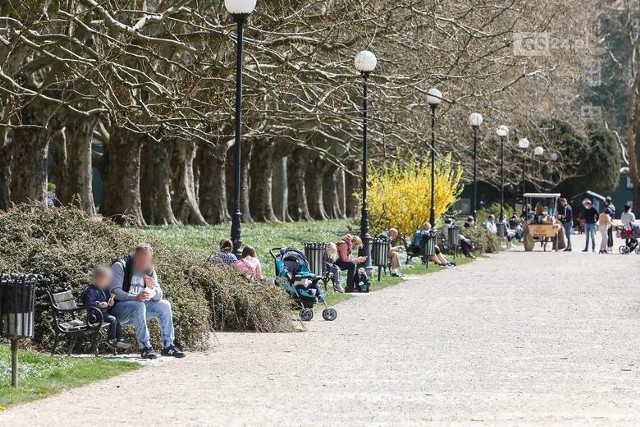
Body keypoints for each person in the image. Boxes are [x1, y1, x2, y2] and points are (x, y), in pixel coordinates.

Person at [111, 243, 185, 359]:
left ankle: (168, 345)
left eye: (147, 261)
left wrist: (152, 290)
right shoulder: (121, 266)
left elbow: (159, 294)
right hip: (118, 311)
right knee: (139, 305)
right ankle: (145, 347)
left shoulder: (149, 270)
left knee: (165, 305)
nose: (144, 264)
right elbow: (115, 292)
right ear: (134, 256)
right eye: (141, 261)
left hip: (140, 308)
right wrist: (135, 297)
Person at [82, 266, 132, 350]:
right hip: (94, 317)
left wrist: (109, 303)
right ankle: (111, 339)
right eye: (107, 279)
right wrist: (99, 305)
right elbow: (88, 304)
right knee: (113, 320)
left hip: (102, 314)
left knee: (116, 319)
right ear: (100, 278)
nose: (109, 282)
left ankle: (120, 338)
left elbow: (104, 303)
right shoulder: (91, 291)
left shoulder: (101, 290)